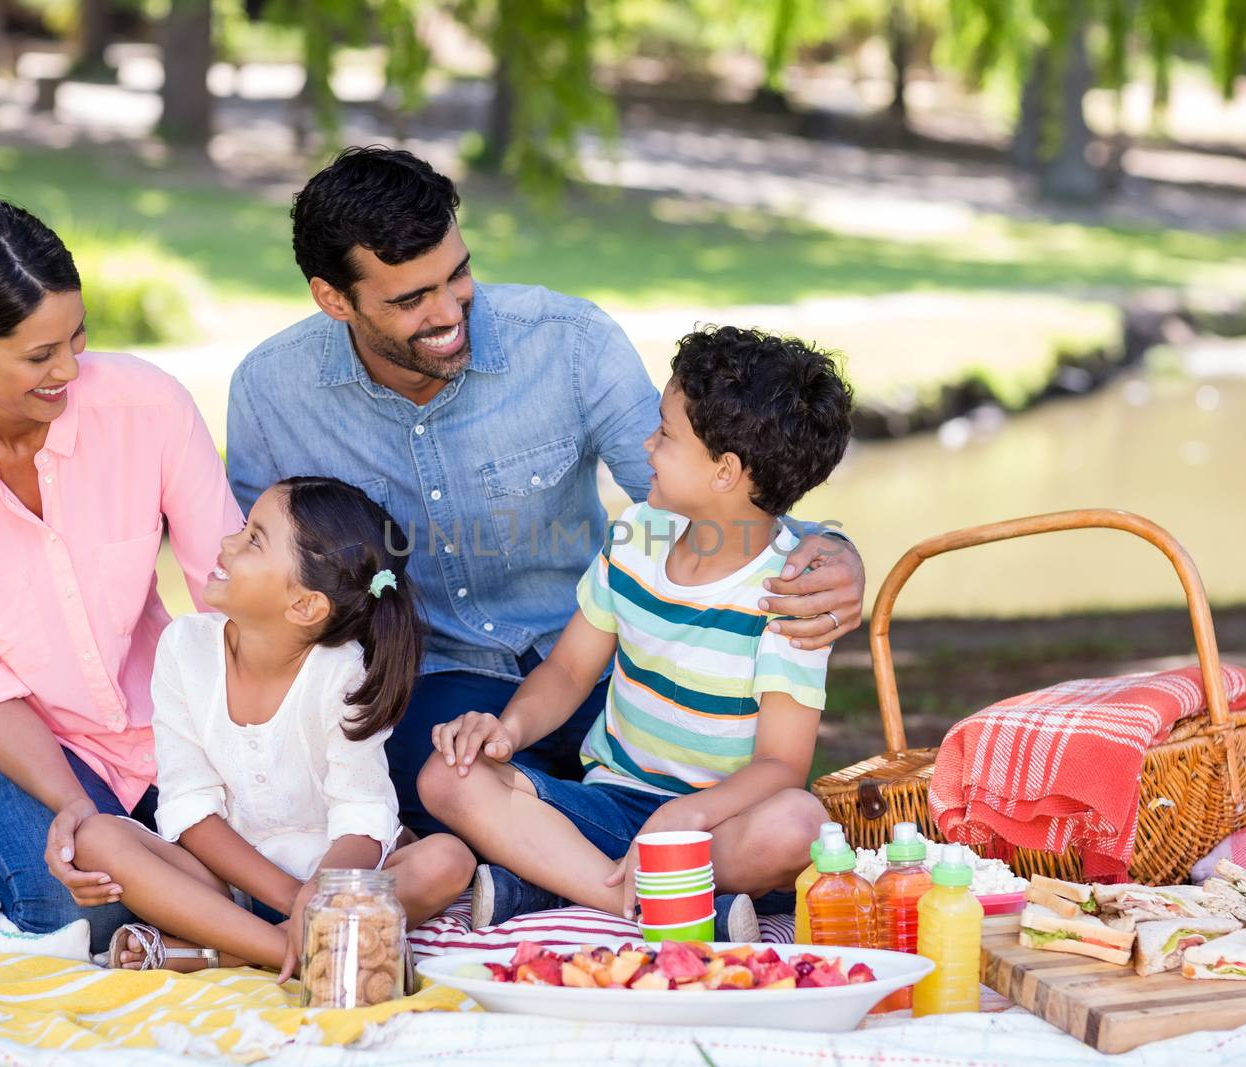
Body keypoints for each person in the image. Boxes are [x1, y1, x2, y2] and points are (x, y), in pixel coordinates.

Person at [227, 147, 866, 838]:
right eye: (411, 299)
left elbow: (716, 490)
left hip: (613, 664)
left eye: (459, 274)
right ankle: (585, 866)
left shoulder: (571, 343)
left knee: (731, 812)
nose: (448, 312)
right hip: (438, 684)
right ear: (334, 298)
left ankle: (555, 862)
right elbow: (264, 588)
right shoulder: (270, 395)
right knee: (430, 793)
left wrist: (828, 546)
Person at [0, 199, 246, 957]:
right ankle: (210, 916)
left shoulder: (146, 406)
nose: (69, 370)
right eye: (39, 356)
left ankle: (200, 921)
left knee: (267, 855)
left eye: (78, 338)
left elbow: (228, 593)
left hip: (158, 722)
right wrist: (75, 807)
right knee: (75, 909)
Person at [418, 326, 854, 938]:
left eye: (667, 435)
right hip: (609, 804)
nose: (648, 444)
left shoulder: (790, 593)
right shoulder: (637, 536)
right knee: (447, 776)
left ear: (725, 471)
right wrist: (505, 731)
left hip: (718, 826)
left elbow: (783, 763)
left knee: (799, 826)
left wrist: (689, 813)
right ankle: (662, 904)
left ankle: (560, 886)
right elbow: (569, 670)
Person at [75, 477, 474, 971]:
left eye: (253, 539)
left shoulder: (342, 673)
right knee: (97, 839)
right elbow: (188, 808)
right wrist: (297, 901)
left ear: (305, 605)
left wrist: (320, 894)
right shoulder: (184, 648)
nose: (227, 542)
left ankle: (214, 953)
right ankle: (296, 952)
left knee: (448, 860)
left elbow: (361, 817)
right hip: (225, 882)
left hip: (332, 878)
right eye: (244, 527)